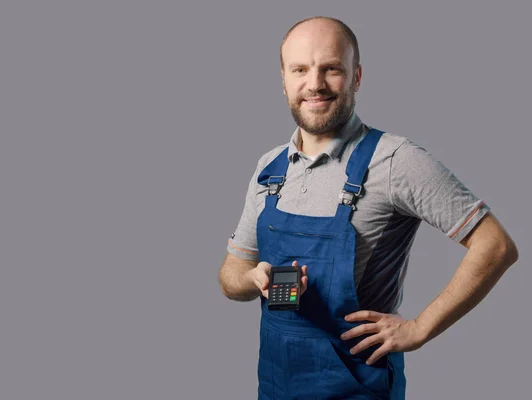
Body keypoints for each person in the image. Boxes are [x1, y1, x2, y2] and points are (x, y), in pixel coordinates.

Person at [217, 15, 519, 400]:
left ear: (356, 77)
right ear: (283, 81)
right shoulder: (269, 168)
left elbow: (496, 246)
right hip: (277, 385)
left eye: (331, 69)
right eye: (300, 70)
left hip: (358, 386)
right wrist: (254, 279)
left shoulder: (395, 161)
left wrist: (419, 328)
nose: (315, 84)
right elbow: (231, 274)